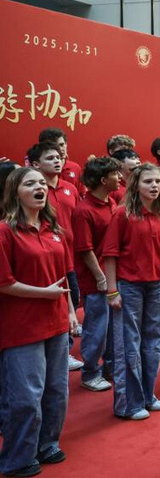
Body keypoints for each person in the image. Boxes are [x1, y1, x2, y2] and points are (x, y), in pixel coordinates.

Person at [0, 167, 78, 477]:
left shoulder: (54, 228)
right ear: (15, 192)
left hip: (56, 321)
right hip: (22, 327)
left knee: (57, 391)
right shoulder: (6, 231)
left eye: (41, 184)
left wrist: (70, 310)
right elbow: (4, 283)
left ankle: (47, 443)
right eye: (30, 183)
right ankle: (18, 457)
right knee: (25, 397)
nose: (39, 187)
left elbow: (63, 279)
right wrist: (44, 294)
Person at [102, 163, 160, 420]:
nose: (154, 186)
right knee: (128, 344)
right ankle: (128, 403)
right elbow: (110, 254)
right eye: (148, 182)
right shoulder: (122, 214)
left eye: (157, 181)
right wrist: (112, 290)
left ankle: (147, 395)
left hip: (155, 285)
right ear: (136, 185)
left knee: (153, 342)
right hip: (129, 286)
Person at [28, 141, 81, 371]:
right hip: (44, 258)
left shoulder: (70, 188)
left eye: (59, 156)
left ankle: (63, 349)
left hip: (69, 257)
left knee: (72, 301)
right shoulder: (35, 194)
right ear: (36, 164)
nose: (58, 160)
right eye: (51, 158)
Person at [72, 157, 121, 393]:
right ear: (103, 180)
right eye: (115, 174)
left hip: (113, 275)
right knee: (97, 327)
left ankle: (110, 368)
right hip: (96, 278)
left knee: (113, 327)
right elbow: (84, 249)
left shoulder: (112, 203)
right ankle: (90, 372)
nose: (120, 177)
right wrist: (100, 276)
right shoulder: (83, 210)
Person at [39, 127, 84, 196]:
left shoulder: (75, 168)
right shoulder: (38, 171)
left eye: (62, 144)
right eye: (55, 146)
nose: (60, 149)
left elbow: (81, 193)